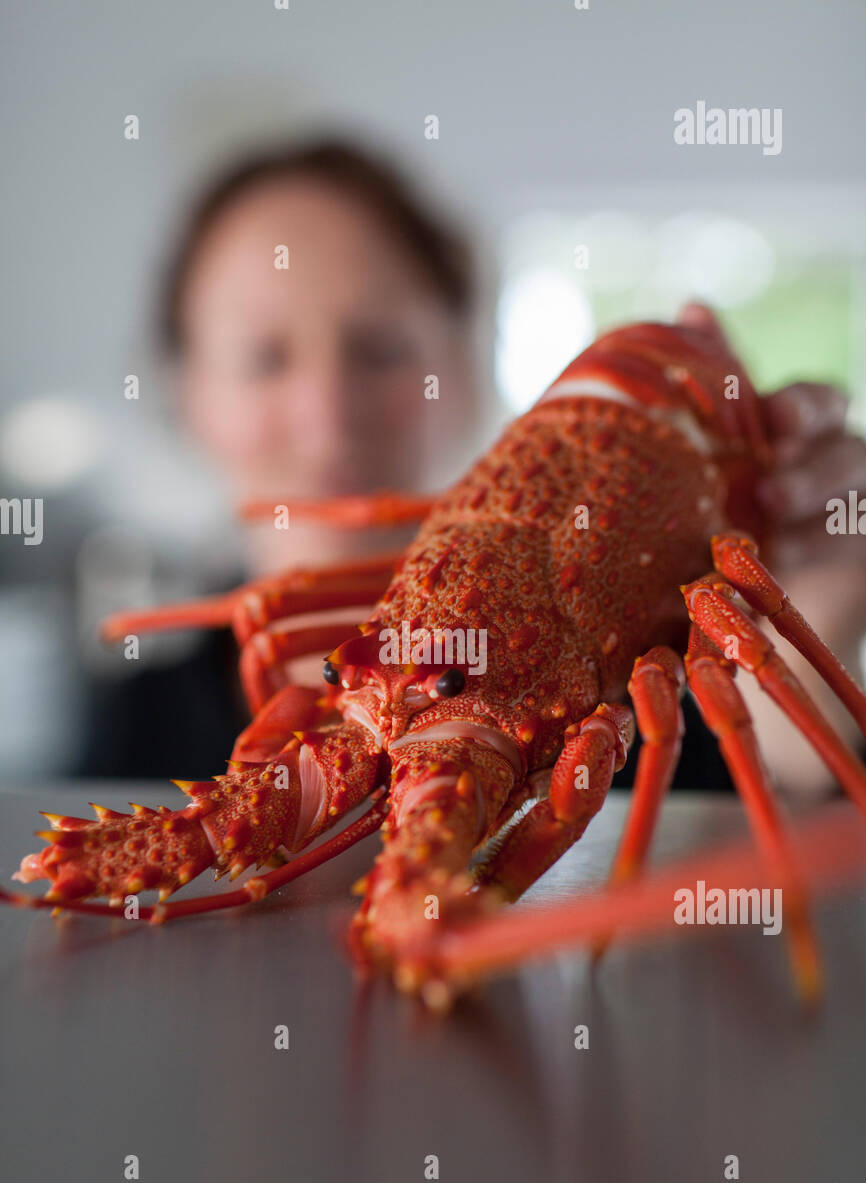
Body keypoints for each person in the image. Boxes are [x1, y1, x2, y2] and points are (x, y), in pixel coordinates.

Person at [76, 137, 866, 794]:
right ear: (186, 395)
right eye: (263, 358)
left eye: (380, 350)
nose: (329, 414)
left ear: (461, 363)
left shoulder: (641, 675)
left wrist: (808, 665)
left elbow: (764, 810)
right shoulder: (130, 719)